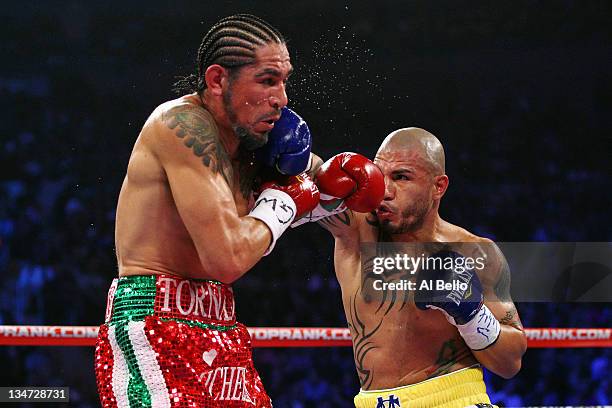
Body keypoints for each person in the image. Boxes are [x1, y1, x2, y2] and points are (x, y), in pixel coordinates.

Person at [94, 14, 319, 407]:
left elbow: (325, 183)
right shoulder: (179, 126)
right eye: (267, 80)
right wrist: (284, 202)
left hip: (221, 326)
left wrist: (348, 177)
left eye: (284, 81)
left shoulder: (253, 141)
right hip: (154, 324)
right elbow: (226, 257)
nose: (281, 98)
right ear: (217, 80)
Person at [300, 128, 527, 407]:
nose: (385, 191)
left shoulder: (474, 251)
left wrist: (471, 313)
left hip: (454, 399)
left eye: (401, 177)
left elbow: (510, 361)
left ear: (438, 186)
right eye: (379, 176)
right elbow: (304, 167)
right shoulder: (359, 230)